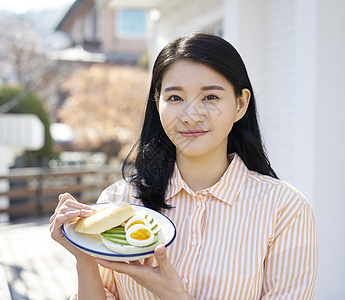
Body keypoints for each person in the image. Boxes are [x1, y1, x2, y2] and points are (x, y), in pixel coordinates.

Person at [49, 32, 318, 300]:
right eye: (175, 98)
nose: (190, 116)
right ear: (158, 103)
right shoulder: (118, 200)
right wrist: (83, 256)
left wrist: (174, 295)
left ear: (240, 104)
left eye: (210, 97)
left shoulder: (285, 210)